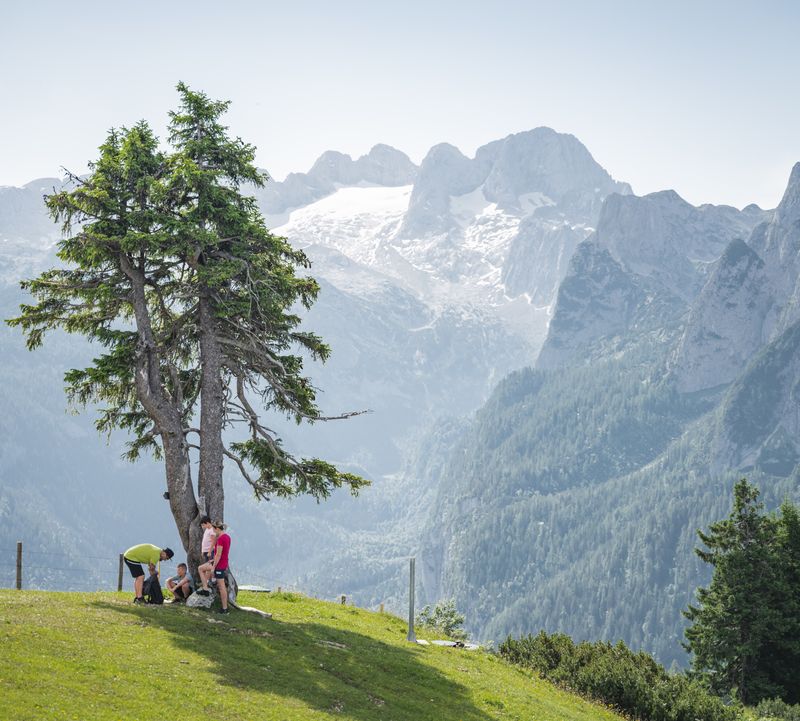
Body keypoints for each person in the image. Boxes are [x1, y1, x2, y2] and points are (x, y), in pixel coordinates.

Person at [198, 521, 231, 614]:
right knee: (201, 568)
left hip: (219, 565)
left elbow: (218, 554)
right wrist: (212, 561)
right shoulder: (227, 537)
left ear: (217, 528)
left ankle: (224, 608)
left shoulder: (221, 539)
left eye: (213, 529)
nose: (212, 530)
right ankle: (205, 589)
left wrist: (213, 567)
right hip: (223, 563)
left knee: (221, 586)